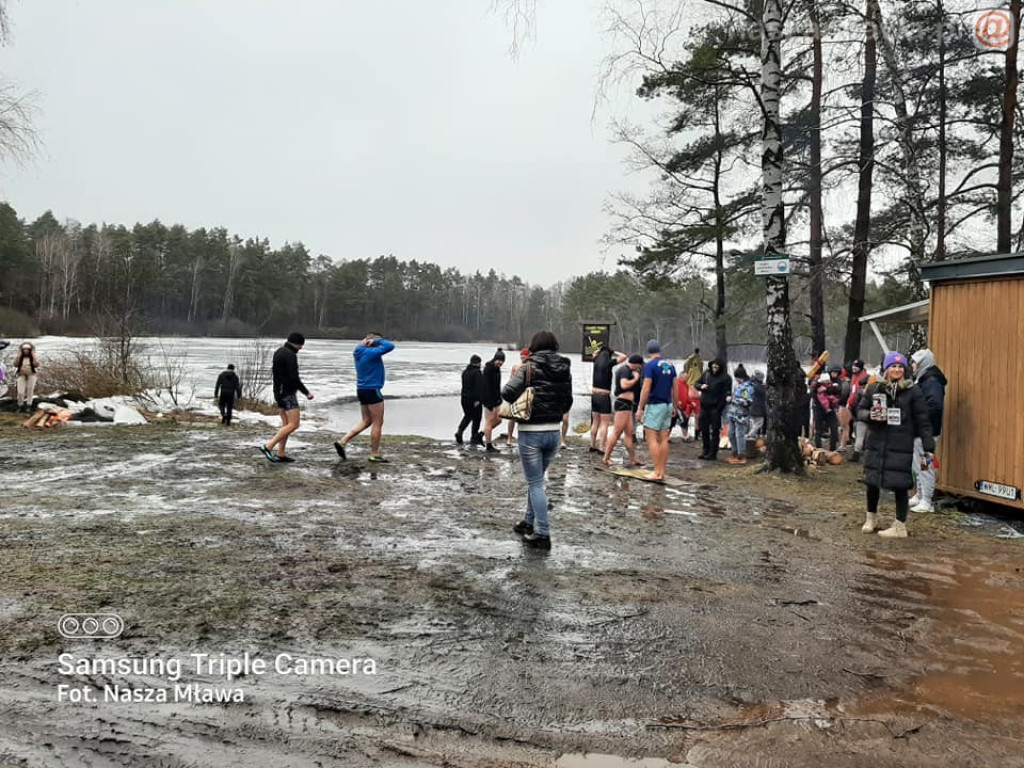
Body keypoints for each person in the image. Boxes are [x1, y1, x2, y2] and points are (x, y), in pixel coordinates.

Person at [504, 330, 573, 550]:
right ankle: (527, 522)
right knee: (537, 482)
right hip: (554, 432)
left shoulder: (529, 366)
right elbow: (568, 402)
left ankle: (543, 534)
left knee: (535, 483)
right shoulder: (565, 368)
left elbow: (507, 393)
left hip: (531, 431)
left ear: (534, 345)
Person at [855, 351, 935, 538]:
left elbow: (923, 420)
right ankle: (871, 517)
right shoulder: (875, 388)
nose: (897, 370)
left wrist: (928, 446)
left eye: (900, 367)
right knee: (872, 482)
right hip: (876, 442)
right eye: (893, 366)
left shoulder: (913, 391)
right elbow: (859, 410)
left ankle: (900, 525)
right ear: (886, 369)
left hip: (900, 444)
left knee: (901, 484)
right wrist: (869, 416)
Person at [335, 332, 396, 462]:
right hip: (373, 389)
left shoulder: (359, 351)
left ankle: (342, 441)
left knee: (366, 421)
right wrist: (377, 341)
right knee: (378, 422)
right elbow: (390, 346)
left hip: (361, 389)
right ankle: (374, 454)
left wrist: (371, 341)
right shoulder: (371, 353)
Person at [261, 333, 314, 463]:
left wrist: (277, 393)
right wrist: (306, 392)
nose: (301, 348)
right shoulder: (290, 355)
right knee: (294, 424)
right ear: (297, 344)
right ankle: (268, 446)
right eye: (301, 345)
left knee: (286, 425)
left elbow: (277, 375)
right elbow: (293, 377)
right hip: (288, 393)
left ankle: (281, 453)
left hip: (278, 393)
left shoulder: (279, 352)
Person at [636, 340, 679, 482]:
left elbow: (646, 387)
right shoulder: (670, 365)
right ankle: (662, 471)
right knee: (664, 438)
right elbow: (675, 387)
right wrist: (675, 406)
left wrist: (640, 408)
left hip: (655, 404)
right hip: (667, 404)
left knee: (652, 438)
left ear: (648, 351)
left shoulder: (650, 366)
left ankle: (656, 471)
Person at [910, 348, 947, 513]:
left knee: (926, 465)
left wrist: (920, 417)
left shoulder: (931, 381)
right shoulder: (923, 380)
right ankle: (919, 494)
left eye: (915, 363)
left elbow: (935, 405)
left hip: (927, 432)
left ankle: (927, 500)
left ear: (922, 364)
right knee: (918, 464)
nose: (912, 365)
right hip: (919, 431)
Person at [603, 353, 644, 467]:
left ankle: (633, 459)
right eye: (639, 366)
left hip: (628, 405)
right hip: (622, 404)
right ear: (636, 364)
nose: (639, 369)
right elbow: (624, 385)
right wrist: (636, 378)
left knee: (629, 433)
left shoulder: (629, 370)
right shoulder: (625, 370)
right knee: (617, 432)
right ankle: (606, 457)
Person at [589, 344, 627, 454]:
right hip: (604, 395)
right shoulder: (609, 363)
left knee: (595, 421)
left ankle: (592, 444)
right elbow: (624, 357)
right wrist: (614, 351)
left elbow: (594, 353)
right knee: (604, 423)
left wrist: (600, 350)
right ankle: (601, 447)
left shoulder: (595, 361)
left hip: (594, 395)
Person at [695, 358, 731, 461]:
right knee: (704, 429)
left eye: (717, 365)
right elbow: (696, 383)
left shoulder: (725, 377)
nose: (714, 367)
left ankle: (713, 452)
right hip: (704, 405)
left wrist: (723, 403)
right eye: (713, 365)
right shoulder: (706, 373)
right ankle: (705, 450)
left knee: (715, 430)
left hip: (716, 407)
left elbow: (727, 392)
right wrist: (701, 386)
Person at [726, 365, 755, 464]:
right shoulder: (737, 386)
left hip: (741, 415)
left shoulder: (748, 387)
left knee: (740, 435)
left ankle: (741, 454)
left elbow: (747, 401)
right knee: (731, 434)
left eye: (737, 377)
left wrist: (733, 399)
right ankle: (734, 452)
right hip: (732, 413)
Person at [478, 348, 505, 453]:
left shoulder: (497, 369)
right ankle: (489, 445)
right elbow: (485, 386)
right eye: (499, 360)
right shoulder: (488, 369)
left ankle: (480, 434)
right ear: (495, 359)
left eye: (502, 361)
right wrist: (487, 402)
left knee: (498, 420)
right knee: (489, 421)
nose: (500, 363)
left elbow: (497, 386)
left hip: (496, 399)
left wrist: (499, 399)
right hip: (488, 400)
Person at [847, 359, 872, 462]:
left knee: (860, 435)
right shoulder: (872, 390)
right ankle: (864, 453)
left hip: (860, 414)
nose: (854, 368)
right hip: (869, 414)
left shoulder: (859, 391)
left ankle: (857, 453)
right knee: (865, 436)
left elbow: (855, 401)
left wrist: (853, 410)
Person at [455, 354, 484, 445]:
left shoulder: (465, 372)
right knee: (477, 418)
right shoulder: (477, 372)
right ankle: (474, 437)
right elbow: (478, 387)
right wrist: (479, 400)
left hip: (464, 398)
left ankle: (460, 431)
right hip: (474, 399)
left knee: (467, 416)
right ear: (478, 363)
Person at [503, 348, 530, 444]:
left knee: (521, 417)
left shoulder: (526, 367)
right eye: (522, 356)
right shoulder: (519, 367)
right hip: (517, 394)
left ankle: (516, 438)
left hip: (522, 393)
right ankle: (510, 438)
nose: (523, 357)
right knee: (514, 417)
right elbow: (512, 380)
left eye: (524, 356)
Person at [812, 370, 841, 452]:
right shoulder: (816, 387)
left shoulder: (832, 387)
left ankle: (832, 448)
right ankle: (818, 448)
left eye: (828, 382)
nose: (827, 383)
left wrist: (827, 389)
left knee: (834, 428)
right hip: (819, 409)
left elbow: (838, 391)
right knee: (819, 430)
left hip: (830, 410)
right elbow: (813, 394)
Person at [13, 341, 40, 412]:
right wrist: (18, 356)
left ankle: (28, 405)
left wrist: (33, 355)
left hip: (31, 375)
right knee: (20, 392)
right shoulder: (20, 357)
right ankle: (20, 405)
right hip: (21, 375)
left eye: (27, 349)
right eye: (24, 349)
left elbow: (36, 365)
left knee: (30, 391)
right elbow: (15, 364)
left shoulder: (33, 357)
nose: (26, 351)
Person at [673, 376, 700, 441]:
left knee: (695, 418)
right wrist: (677, 401)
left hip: (689, 402)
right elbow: (674, 392)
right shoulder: (677, 383)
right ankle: (685, 436)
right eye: (685, 377)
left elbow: (686, 395)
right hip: (680, 404)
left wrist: (690, 402)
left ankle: (690, 436)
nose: (687, 378)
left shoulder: (685, 385)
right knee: (684, 419)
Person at [749, 370, 767, 439]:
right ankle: (750, 435)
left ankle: (754, 436)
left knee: (755, 423)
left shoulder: (753, 385)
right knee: (759, 423)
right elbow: (764, 391)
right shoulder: (758, 387)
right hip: (758, 409)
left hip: (754, 408)